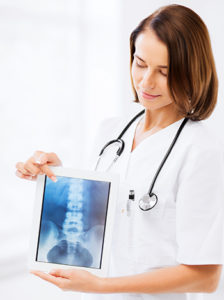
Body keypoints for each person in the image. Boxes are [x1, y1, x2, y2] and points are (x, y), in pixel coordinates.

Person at [15, 4, 224, 300]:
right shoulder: (111, 132)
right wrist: (55, 176)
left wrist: (104, 287)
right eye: (140, 63)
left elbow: (206, 277)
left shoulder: (202, 151)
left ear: (192, 72)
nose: (146, 82)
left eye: (164, 72)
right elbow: (105, 214)